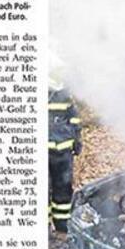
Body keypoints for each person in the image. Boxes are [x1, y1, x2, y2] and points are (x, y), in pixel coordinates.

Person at [48, 82, 82, 232]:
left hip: (63, 154)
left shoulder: (63, 96)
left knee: (63, 190)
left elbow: (74, 118)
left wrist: (77, 139)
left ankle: (63, 226)